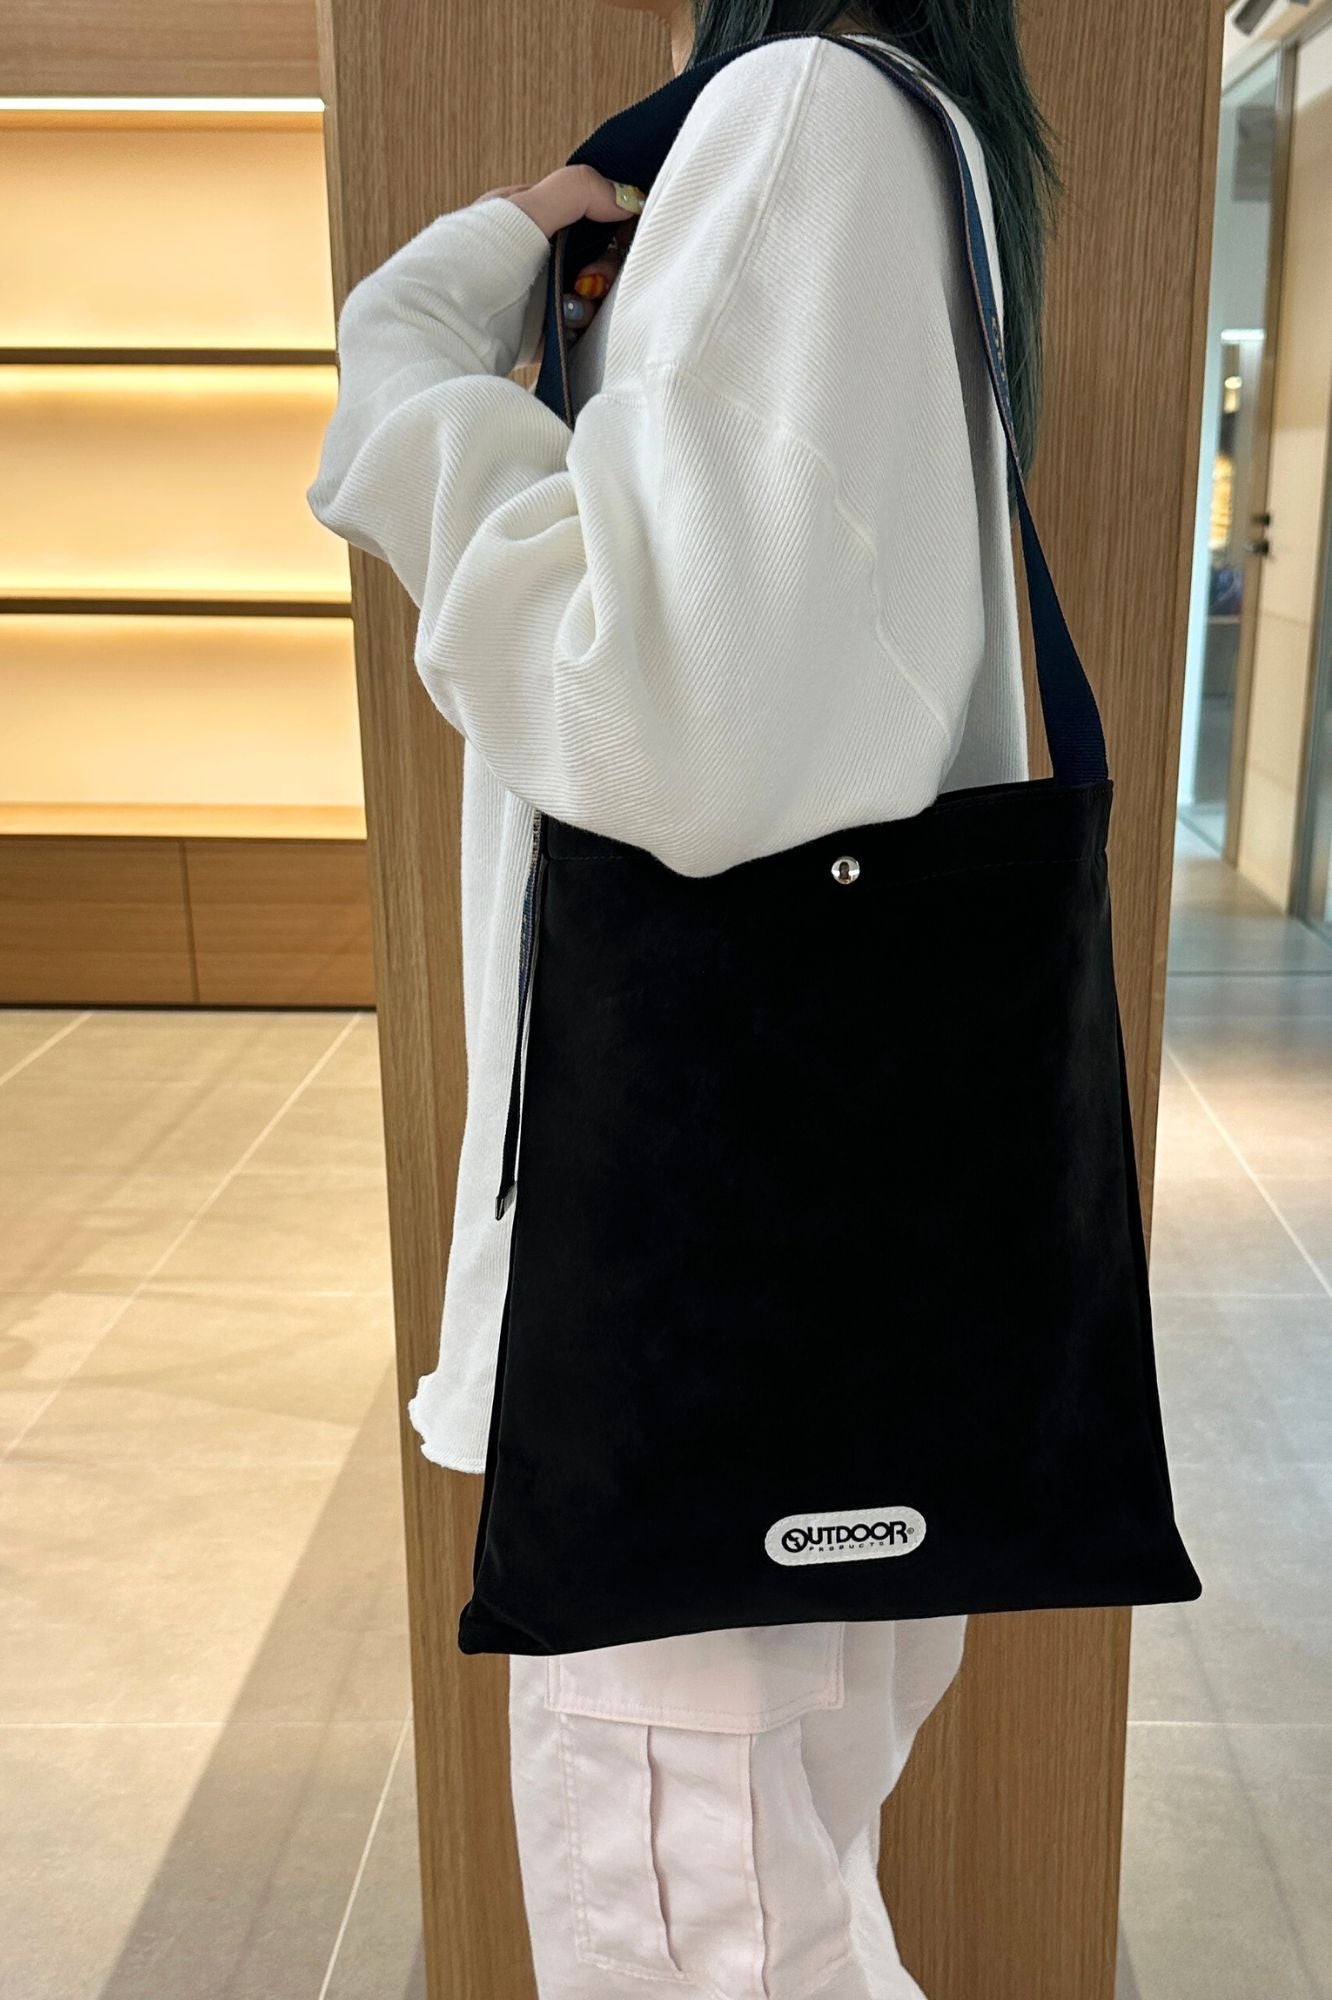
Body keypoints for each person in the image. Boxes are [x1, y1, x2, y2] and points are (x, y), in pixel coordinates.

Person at [308, 3, 1057, 1994]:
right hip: (810, 1291)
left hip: (695, 1301)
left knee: (702, 1934)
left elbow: (656, 722)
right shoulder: (905, 137)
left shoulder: (802, 114)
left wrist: (414, 354)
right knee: (768, 1912)